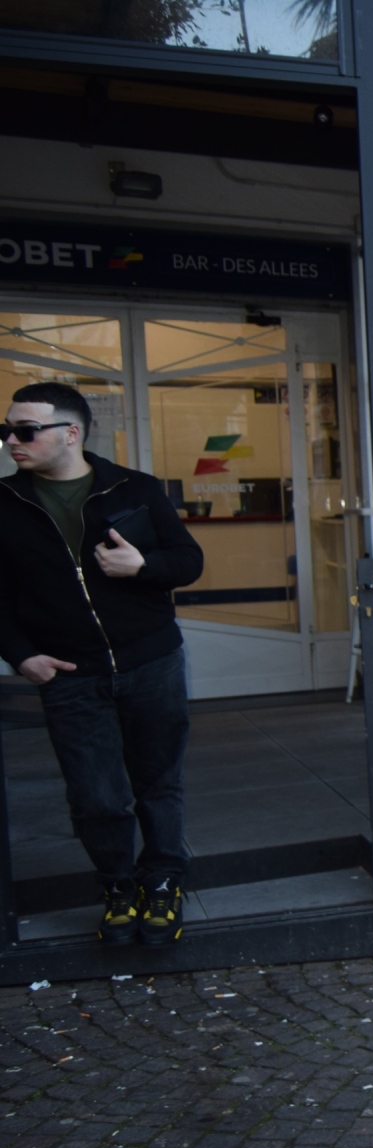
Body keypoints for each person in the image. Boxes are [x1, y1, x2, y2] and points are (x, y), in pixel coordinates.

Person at [0, 381, 204, 946]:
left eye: (25, 430)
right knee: (96, 796)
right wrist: (21, 656)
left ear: (71, 433)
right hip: (70, 673)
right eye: (7, 430)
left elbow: (188, 560)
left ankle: (162, 881)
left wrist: (143, 567)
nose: (12, 440)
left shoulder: (132, 487)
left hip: (152, 661)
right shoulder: (5, 502)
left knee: (159, 782)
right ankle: (117, 886)